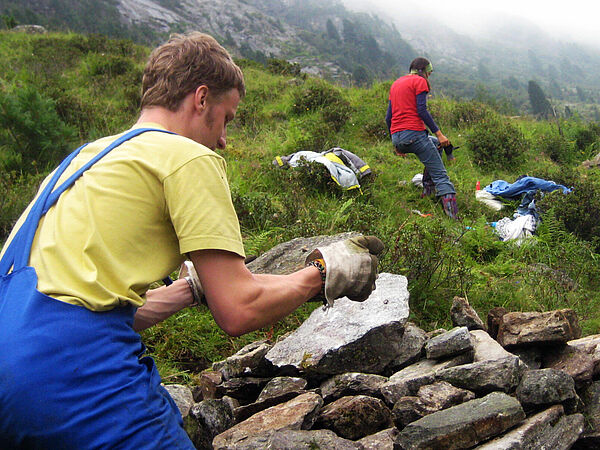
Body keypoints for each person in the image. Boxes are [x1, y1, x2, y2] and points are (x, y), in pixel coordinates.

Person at [0, 32, 383, 449]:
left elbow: (98, 307)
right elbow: (238, 310)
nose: (222, 139)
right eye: (226, 119)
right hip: (77, 380)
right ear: (201, 99)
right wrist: (326, 272)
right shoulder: (187, 156)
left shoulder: (83, 160)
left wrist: (192, 289)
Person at [385, 57, 458, 219]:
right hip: (414, 135)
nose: (428, 76)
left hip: (398, 138)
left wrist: (395, 144)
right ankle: (454, 219)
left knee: (434, 145)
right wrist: (439, 134)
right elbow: (422, 111)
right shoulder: (419, 81)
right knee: (442, 176)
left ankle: (428, 192)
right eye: (429, 73)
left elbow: (388, 117)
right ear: (424, 71)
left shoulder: (396, 83)